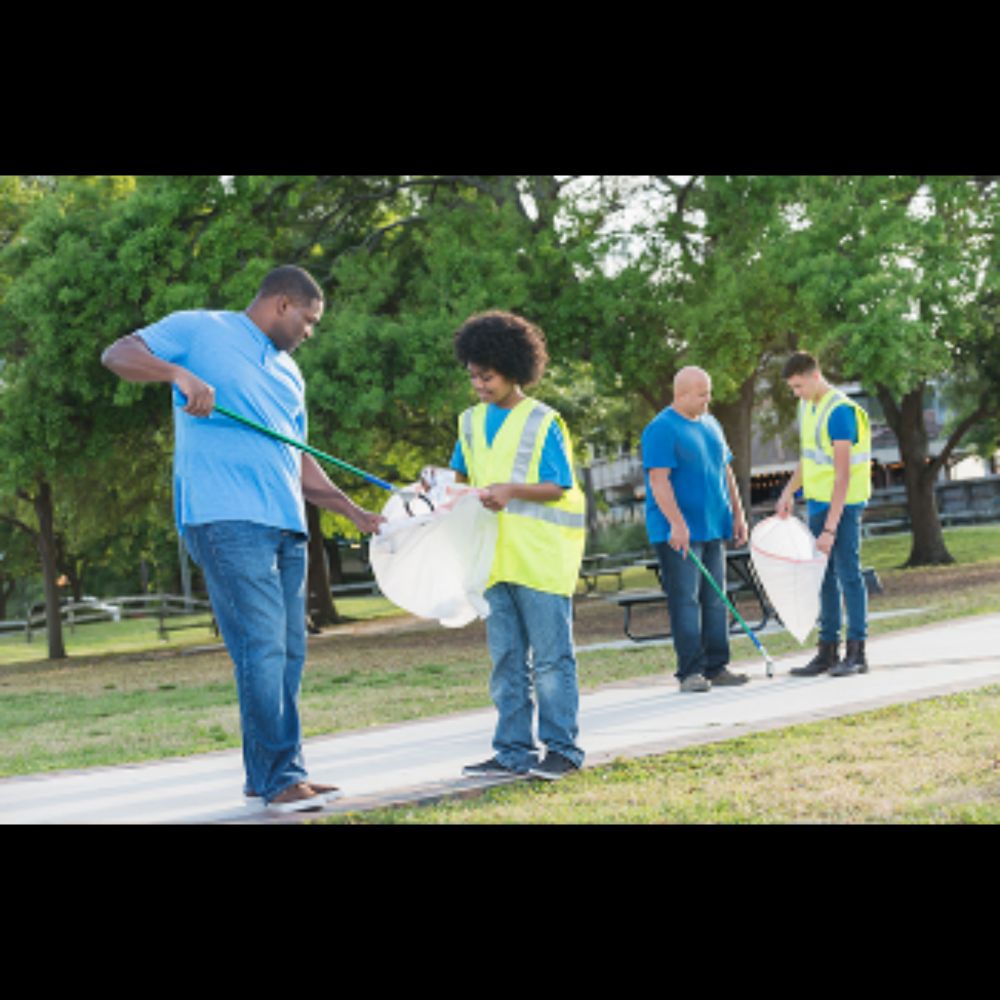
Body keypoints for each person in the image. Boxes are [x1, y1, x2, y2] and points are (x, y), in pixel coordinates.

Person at [101, 265, 384, 814]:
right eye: (309, 320)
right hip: (225, 518)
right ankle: (283, 778)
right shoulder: (199, 328)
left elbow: (297, 458)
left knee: (288, 652)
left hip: (285, 524)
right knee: (261, 647)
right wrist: (177, 377)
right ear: (282, 304)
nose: (310, 332)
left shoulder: (289, 375)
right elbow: (117, 355)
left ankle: (270, 774)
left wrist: (350, 509)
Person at [450, 310, 587, 781]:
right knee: (506, 661)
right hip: (492, 560)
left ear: (513, 368)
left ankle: (562, 749)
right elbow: (458, 478)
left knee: (551, 660)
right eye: (473, 376)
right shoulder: (468, 422)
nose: (479, 385)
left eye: (486, 376)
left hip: (541, 560)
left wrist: (509, 490)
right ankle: (512, 750)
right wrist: (438, 495)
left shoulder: (544, 420)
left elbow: (558, 485)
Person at [642, 367, 750, 692]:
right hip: (678, 532)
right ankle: (690, 672)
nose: (708, 399)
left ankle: (718, 666)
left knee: (716, 598)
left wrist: (738, 514)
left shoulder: (711, 423)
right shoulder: (660, 429)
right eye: (702, 393)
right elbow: (658, 482)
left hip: (713, 524)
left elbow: (725, 471)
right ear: (682, 394)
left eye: (708, 392)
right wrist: (677, 523)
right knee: (686, 600)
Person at [776, 351, 872, 676]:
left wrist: (830, 528)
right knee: (823, 578)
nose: (796, 393)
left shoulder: (840, 412)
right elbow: (809, 458)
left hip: (842, 507)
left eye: (799, 386)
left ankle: (857, 653)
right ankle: (827, 651)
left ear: (815, 376)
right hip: (816, 503)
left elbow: (843, 476)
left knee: (848, 575)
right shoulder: (807, 406)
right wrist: (788, 492)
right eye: (793, 388)